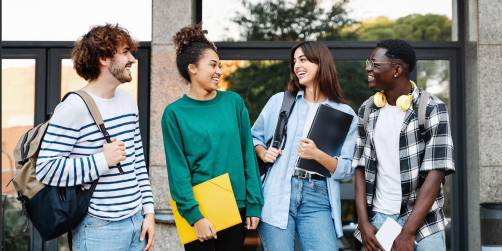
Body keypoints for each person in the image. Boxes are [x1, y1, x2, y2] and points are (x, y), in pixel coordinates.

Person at [35, 24, 155, 250]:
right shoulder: (73, 107)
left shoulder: (128, 102)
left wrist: (148, 212)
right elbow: (46, 169)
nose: (133, 59)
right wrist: (102, 161)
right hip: (99, 229)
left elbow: (138, 161)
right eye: (126, 52)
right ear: (104, 58)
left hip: (136, 223)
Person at [161, 24, 263, 251]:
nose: (219, 71)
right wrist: (195, 216)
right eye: (213, 65)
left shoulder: (233, 103)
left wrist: (255, 203)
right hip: (198, 210)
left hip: (237, 208)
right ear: (192, 68)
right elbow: (178, 171)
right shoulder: (174, 113)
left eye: (220, 65)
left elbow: (248, 154)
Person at [251, 41, 357, 251]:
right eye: (294, 61)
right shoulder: (280, 101)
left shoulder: (345, 114)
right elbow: (253, 137)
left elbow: (347, 169)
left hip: (318, 197)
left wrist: (317, 155)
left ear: (321, 62)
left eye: (303, 60)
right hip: (278, 192)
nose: (297, 66)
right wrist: (263, 153)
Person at [352, 39, 455, 251]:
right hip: (379, 221)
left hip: (424, 225)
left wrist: (407, 232)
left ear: (397, 69)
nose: (368, 69)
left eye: (375, 64)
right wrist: (363, 224)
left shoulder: (432, 108)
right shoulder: (367, 110)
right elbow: (360, 168)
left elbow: (436, 174)